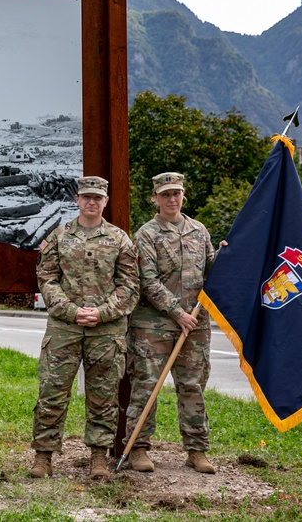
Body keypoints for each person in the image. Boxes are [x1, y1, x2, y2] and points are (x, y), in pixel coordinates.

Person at [29, 175, 139, 480]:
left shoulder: (120, 240)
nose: (91, 202)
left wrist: (101, 313)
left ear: (105, 202)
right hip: (65, 327)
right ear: (77, 200)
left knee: (103, 396)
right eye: (86, 197)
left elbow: (130, 286)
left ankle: (99, 459)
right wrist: (71, 311)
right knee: (52, 391)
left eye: (97, 198)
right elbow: (47, 278)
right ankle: (43, 456)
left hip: (105, 330)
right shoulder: (59, 237)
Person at [124, 172, 220, 474]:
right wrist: (177, 312)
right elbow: (147, 281)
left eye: (176, 193)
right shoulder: (147, 234)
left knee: (193, 386)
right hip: (153, 325)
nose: (171, 199)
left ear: (183, 195)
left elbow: (210, 271)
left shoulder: (199, 231)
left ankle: (196, 450)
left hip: (195, 324)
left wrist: (228, 255)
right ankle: (138, 448)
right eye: (165, 194)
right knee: (146, 386)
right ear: (155, 198)